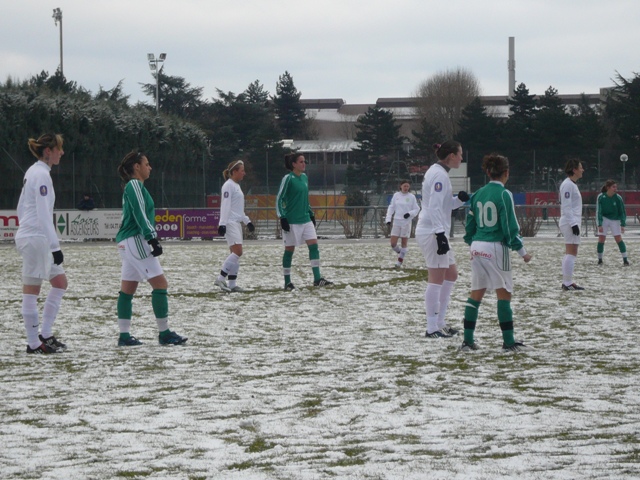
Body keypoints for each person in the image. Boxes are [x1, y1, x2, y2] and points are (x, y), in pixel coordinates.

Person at [461, 154, 532, 352]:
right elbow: (510, 227)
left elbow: (470, 224)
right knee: (504, 294)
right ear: (506, 173)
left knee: (476, 293)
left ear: (487, 172)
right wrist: (522, 252)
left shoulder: (477, 194)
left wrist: (472, 244)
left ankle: (467, 341)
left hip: (477, 246)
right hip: (495, 248)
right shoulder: (504, 194)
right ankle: (508, 342)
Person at [115, 150, 187, 346]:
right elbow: (140, 213)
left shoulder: (135, 186)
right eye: (146, 164)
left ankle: (124, 336)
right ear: (136, 167)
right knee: (161, 284)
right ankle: (164, 333)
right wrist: (152, 238)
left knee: (127, 289)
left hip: (127, 242)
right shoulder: (135, 185)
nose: (150, 167)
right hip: (135, 239)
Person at [15, 133, 68, 354]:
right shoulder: (41, 174)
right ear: (48, 151)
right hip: (36, 238)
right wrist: (55, 247)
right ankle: (33, 343)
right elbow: (44, 214)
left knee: (60, 282)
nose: (62, 153)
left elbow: (20, 207)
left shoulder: (34, 171)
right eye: (59, 149)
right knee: (31, 291)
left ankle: (45, 334)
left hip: (37, 237)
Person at [415, 141, 469, 338]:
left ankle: (440, 322)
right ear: (451, 155)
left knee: (451, 274)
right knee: (436, 278)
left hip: (436, 230)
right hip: (432, 231)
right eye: (460, 154)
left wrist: (458, 201)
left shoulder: (440, 173)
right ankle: (431, 328)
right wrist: (439, 235)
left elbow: (442, 205)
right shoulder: (438, 174)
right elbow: (436, 207)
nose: (462, 158)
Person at [276, 152, 333, 290]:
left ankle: (317, 278)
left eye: (304, 161)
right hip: (292, 220)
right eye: (301, 161)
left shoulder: (305, 178)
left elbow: (305, 199)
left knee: (314, 245)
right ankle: (287, 282)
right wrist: (282, 217)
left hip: (305, 219)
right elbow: (280, 199)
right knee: (289, 250)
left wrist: (311, 213)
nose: (304, 164)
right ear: (294, 164)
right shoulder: (288, 179)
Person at [214, 160, 255, 292]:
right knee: (238, 252)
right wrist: (222, 224)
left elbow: (238, 209)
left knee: (234, 253)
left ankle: (232, 284)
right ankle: (220, 279)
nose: (244, 173)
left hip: (236, 223)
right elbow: (225, 206)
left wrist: (247, 221)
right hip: (230, 222)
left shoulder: (237, 186)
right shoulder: (228, 186)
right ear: (234, 172)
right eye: (242, 170)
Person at [559, 158, 585, 291]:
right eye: (580, 167)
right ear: (574, 170)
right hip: (569, 222)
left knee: (571, 251)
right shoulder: (568, 185)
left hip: (571, 221)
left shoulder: (571, 184)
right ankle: (567, 283)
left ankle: (567, 281)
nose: (582, 170)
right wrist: (573, 223)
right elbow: (566, 206)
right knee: (572, 251)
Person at [385, 180, 420, 268]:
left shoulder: (411, 197)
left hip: (406, 222)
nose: (406, 188)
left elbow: (417, 209)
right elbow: (391, 207)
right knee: (393, 243)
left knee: (404, 242)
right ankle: (401, 252)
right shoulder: (396, 195)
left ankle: (399, 262)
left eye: (407, 186)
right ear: (400, 186)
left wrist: (409, 213)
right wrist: (388, 219)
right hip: (397, 221)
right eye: (404, 186)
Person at [596, 179, 629, 266]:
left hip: (615, 219)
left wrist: (622, 224)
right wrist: (599, 224)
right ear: (608, 188)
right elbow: (599, 211)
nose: (615, 189)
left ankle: (625, 259)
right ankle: (600, 259)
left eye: (616, 187)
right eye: (613, 187)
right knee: (601, 238)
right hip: (604, 218)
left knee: (618, 238)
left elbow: (622, 212)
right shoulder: (601, 197)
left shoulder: (618, 198)